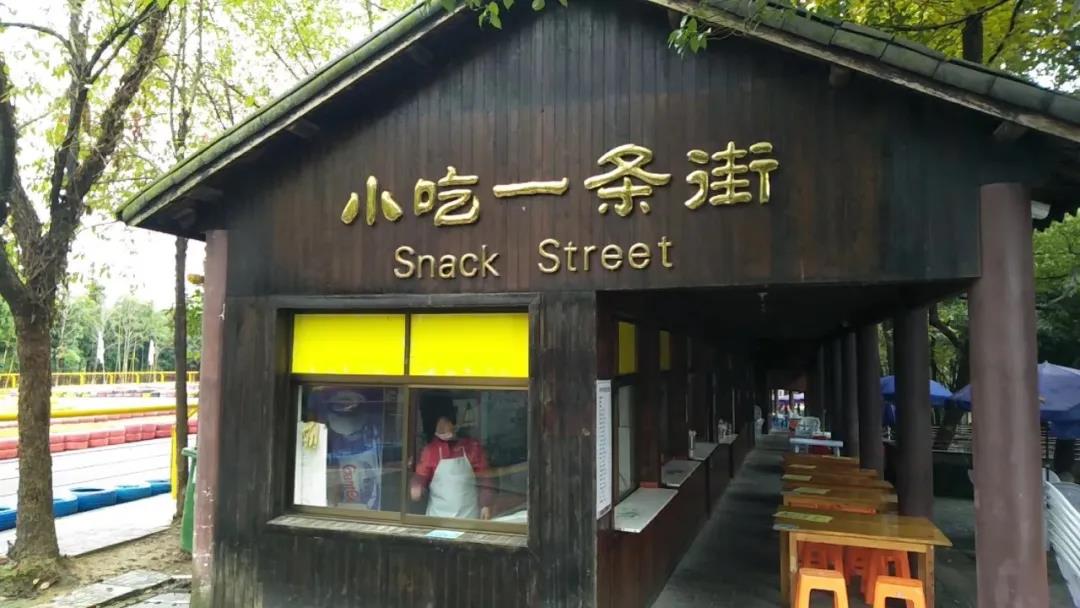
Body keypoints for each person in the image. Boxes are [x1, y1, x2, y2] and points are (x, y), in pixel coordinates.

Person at [410, 406, 493, 519]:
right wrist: (417, 486)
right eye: (441, 426)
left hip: (468, 515)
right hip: (438, 516)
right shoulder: (430, 450)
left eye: (447, 424)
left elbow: (484, 477)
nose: (444, 428)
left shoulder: (472, 447)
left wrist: (486, 504)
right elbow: (421, 475)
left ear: (455, 425)